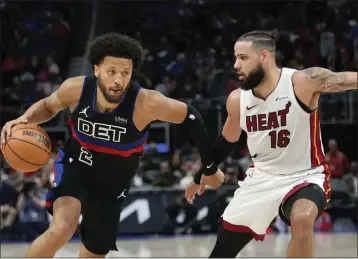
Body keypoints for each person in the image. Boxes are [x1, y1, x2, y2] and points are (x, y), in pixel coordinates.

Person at [1, 32, 223, 258]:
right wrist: (25, 119)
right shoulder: (75, 89)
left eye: (125, 73)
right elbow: (48, 106)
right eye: (112, 71)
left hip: (113, 182)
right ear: (97, 69)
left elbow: (192, 116)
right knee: (61, 229)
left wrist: (210, 167)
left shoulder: (147, 102)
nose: (119, 79)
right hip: (75, 166)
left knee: (94, 251)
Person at [185, 30, 357, 258]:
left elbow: (343, 80)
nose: (236, 65)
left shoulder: (302, 82)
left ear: (264, 56)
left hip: (305, 175)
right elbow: (226, 141)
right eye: (235, 57)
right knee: (222, 251)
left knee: (302, 218)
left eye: (243, 58)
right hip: (262, 178)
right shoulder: (238, 99)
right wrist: (200, 176)